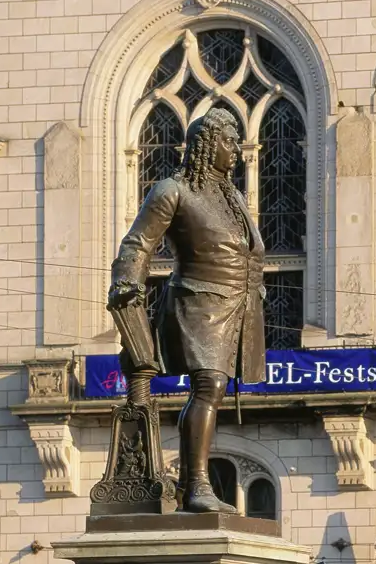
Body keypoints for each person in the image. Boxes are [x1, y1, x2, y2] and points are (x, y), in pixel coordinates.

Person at [108, 107, 266, 514]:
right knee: (209, 385)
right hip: (198, 301)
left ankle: (192, 486)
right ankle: (196, 485)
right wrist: (127, 282)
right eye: (229, 141)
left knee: (211, 389)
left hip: (238, 306)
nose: (236, 150)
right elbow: (138, 242)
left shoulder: (233, 197)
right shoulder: (172, 190)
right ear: (207, 145)